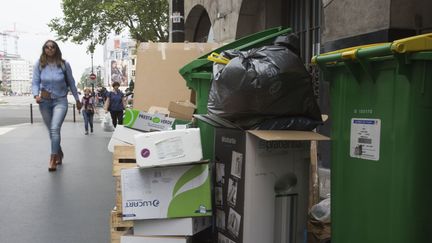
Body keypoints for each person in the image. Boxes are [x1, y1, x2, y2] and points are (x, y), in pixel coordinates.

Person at [32, 40, 82, 172]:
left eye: (52, 47)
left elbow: (71, 83)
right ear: (44, 49)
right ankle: (59, 152)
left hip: (60, 101)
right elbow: (35, 82)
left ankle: (53, 158)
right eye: (47, 47)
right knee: (51, 131)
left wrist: (77, 99)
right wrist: (35, 95)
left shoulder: (64, 64)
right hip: (44, 101)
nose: (50, 49)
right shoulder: (39, 64)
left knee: (54, 129)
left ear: (56, 49)